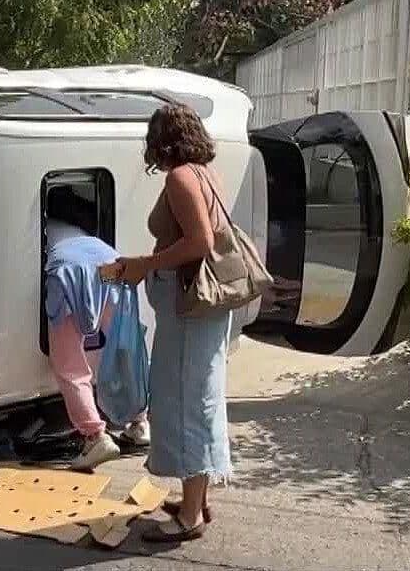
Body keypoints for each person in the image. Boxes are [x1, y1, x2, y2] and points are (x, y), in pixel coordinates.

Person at [104, 103, 232, 544]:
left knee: (185, 403)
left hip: (189, 310)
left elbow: (199, 242)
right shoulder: (204, 172)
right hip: (200, 311)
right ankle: (196, 499)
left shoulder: (181, 178)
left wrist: (146, 264)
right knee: (199, 397)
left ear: (163, 141)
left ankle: (190, 517)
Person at [43, 186, 150, 471]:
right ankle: (139, 423)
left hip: (68, 272)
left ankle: (94, 436)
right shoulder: (78, 228)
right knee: (122, 346)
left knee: (69, 364)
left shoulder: (41, 228)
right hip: (109, 262)